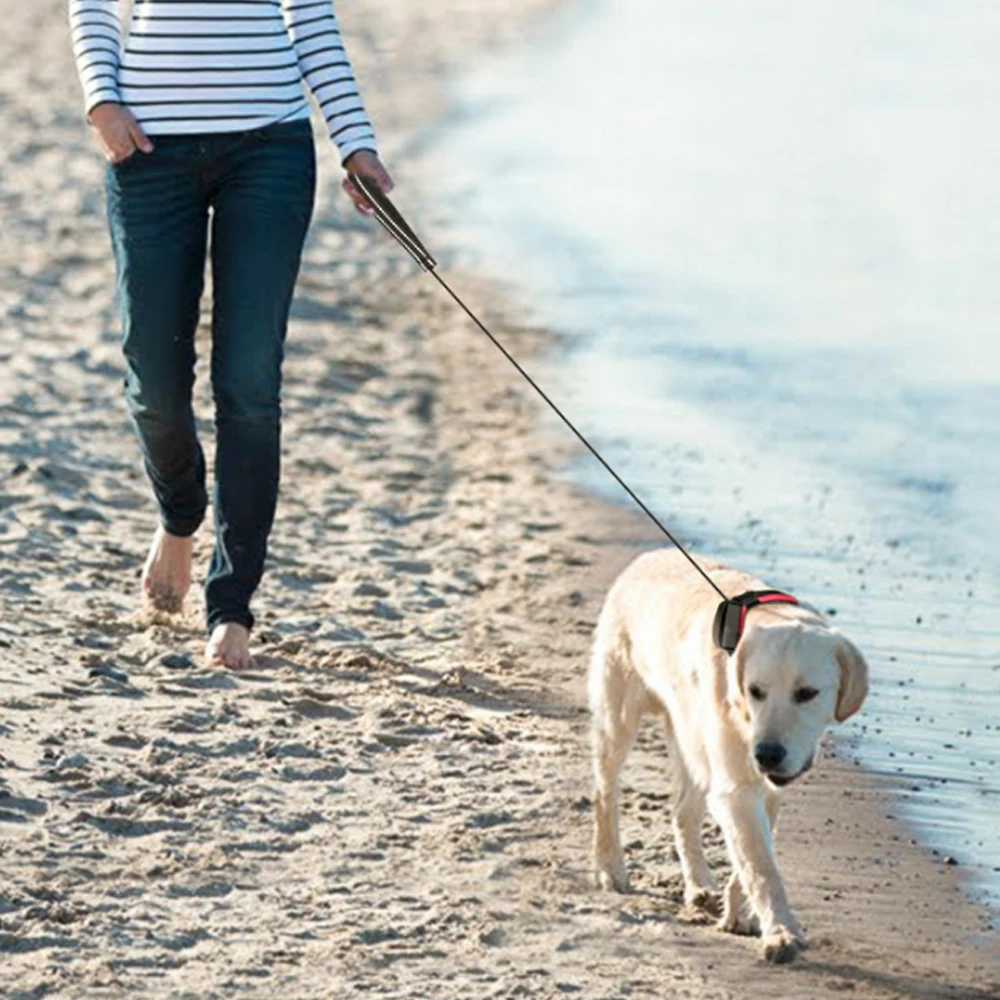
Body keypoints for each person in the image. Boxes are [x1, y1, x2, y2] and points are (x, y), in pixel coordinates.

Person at [68, 0, 392, 669]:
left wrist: (355, 142)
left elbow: (311, 19)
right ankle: (180, 515)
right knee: (154, 383)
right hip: (147, 148)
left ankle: (231, 607)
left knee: (248, 384)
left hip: (270, 150)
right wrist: (103, 101)